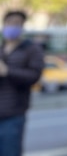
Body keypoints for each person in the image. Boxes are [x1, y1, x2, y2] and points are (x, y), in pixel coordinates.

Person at [0, 10, 45, 156]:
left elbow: (34, 76)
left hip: (13, 114)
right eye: (9, 23)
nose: (12, 26)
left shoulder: (31, 49)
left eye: (17, 23)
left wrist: (8, 71)